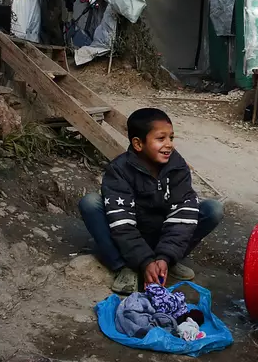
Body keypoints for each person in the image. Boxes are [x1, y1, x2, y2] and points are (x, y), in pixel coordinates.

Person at [78, 108, 223, 295]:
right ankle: (123, 267)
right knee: (90, 203)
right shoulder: (119, 171)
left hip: (161, 233)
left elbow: (182, 216)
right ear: (138, 144)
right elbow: (122, 223)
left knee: (213, 209)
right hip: (129, 235)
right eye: (161, 139)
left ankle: (168, 262)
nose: (169, 144)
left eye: (171, 137)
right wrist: (144, 261)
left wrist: (165, 256)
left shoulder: (178, 168)